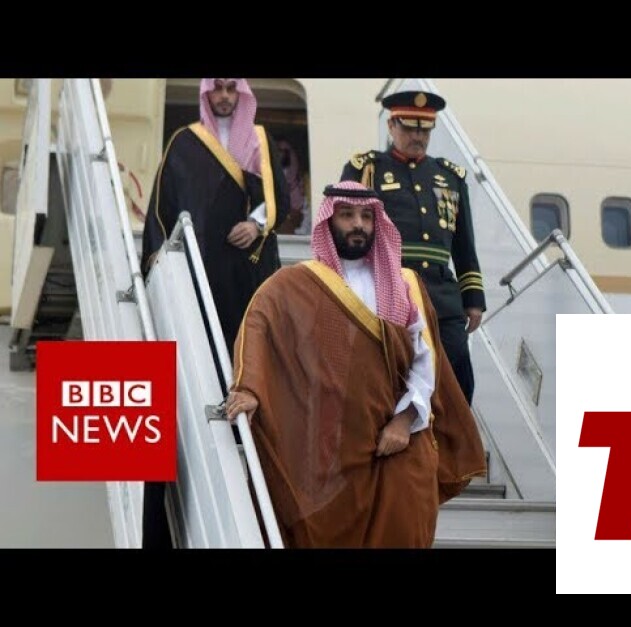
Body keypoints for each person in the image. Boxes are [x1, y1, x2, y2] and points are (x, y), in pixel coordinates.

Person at [225, 181, 486, 548]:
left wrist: (404, 421)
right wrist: (250, 388)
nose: (358, 224)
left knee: (407, 523)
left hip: (399, 437)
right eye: (347, 215)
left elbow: (426, 360)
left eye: (366, 216)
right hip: (332, 443)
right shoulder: (297, 283)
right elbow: (258, 325)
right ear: (329, 220)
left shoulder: (406, 284)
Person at [139, 78, 289, 549]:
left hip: (248, 268)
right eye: (217, 89)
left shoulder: (259, 139)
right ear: (206, 95)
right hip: (200, 273)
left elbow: (279, 198)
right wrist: (157, 267)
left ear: (241, 94)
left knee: (251, 344)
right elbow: (161, 209)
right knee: (200, 348)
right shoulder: (184, 142)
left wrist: (256, 224)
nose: (224, 97)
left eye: (231, 89)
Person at [340, 90, 485, 405]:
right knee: (394, 374)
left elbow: (464, 244)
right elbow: (344, 229)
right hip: (389, 287)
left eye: (425, 129)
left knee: (456, 367)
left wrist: (473, 299)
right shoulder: (367, 169)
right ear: (392, 126)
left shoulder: (450, 176)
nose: (417, 136)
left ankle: (454, 433)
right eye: (408, 127)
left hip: (441, 295)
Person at [275, 139, 311, 235]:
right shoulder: (273, 172)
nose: (280, 154)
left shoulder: (299, 177)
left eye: (282, 151)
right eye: (277, 151)